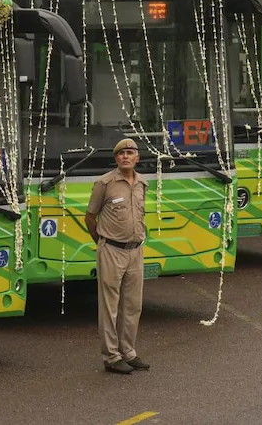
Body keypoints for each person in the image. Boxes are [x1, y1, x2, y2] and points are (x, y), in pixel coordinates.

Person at [85, 138, 150, 375]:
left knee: (133, 305)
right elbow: (90, 217)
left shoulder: (142, 183)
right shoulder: (105, 183)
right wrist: (103, 243)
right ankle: (111, 356)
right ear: (116, 158)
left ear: (137, 158)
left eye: (130, 153)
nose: (125, 156)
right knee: (109, 307)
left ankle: (128, 352)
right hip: (111, 250)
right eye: (121, 153)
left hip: (135, 251)